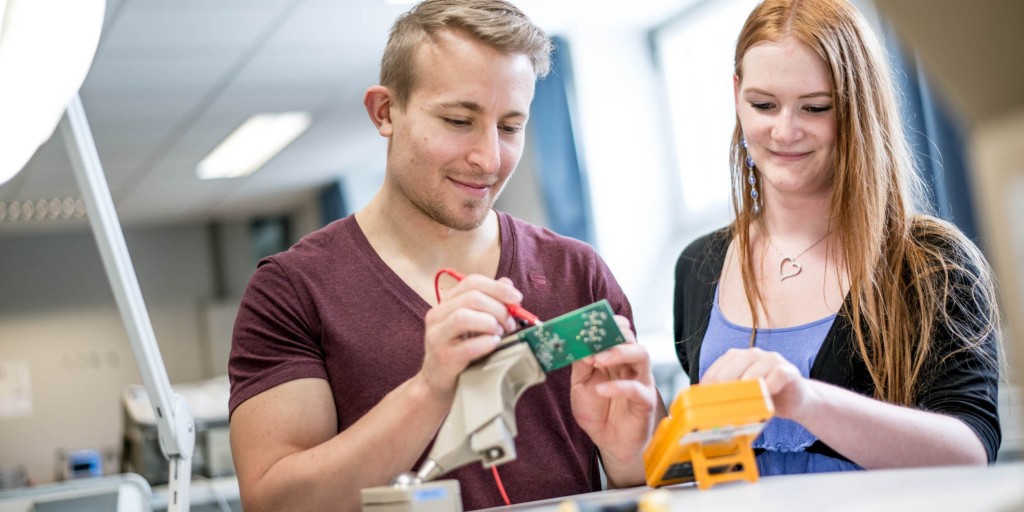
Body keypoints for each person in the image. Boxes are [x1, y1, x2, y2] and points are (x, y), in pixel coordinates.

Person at [227, 1, 662, 511]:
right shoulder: (294, 291)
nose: (488, 159)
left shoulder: (576, 271)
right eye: (459, 120)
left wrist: (630, 457)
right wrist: (428, 391)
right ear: (384, 112)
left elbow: (654, 480)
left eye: (509, 127)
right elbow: (276, 503)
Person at [673, 0, 1001, 476]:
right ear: (736, 93)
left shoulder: (932, 263)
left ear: (856, 106)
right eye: (763, 105)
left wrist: (807, 401)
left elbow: (972, 451)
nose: (785, 130)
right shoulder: (698, 265)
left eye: (816, 107)